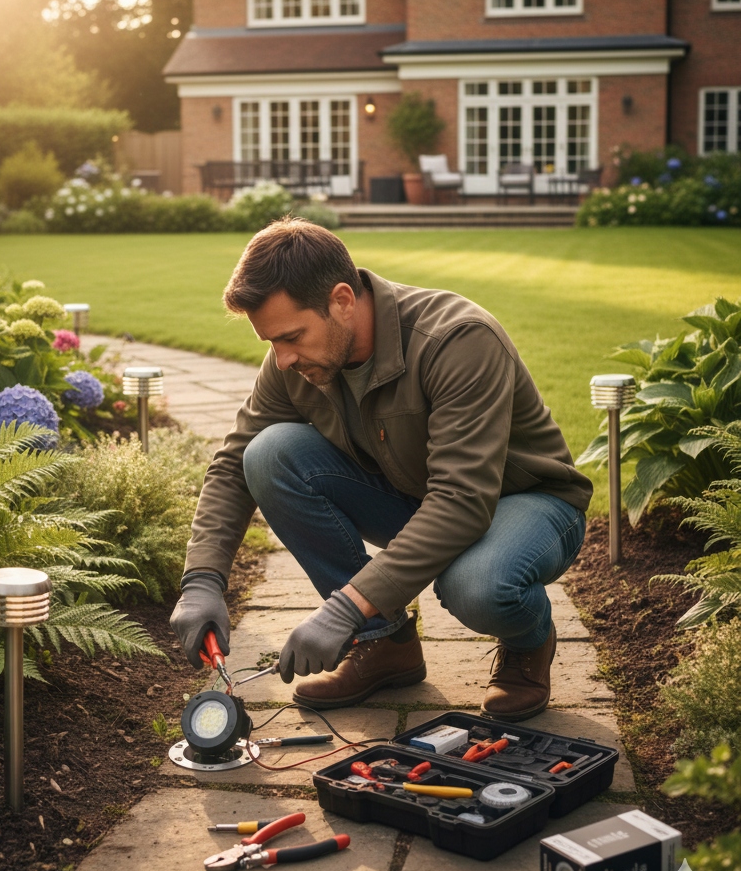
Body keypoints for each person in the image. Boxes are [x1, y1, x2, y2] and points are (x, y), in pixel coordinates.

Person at [170, 218, 591, 721]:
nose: (281, 360)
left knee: (478, 586)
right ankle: (384, 644)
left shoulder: (457, 339)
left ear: (342, 300)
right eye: (271, 342)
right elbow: (232, 466)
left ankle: (528, 640)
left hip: (526, 501)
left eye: (292, 336)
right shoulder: (295, 361)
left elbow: (461, 500)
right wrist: (202, 580)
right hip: (414, 494)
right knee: (267, 453)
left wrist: (346, 606)